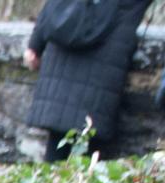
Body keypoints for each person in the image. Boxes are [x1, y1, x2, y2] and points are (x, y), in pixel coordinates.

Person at [23, 0, 155, 160]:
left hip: (61, 67)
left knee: (55, 159)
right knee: (87, 163)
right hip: (101, 78)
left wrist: (35, 43)